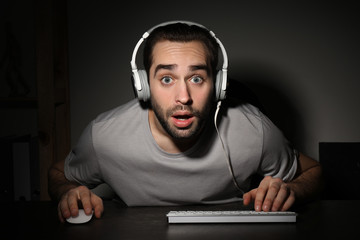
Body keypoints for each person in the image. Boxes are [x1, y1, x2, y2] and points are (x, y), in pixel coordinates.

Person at [48, 21, 322, 222]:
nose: (183, 97)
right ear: (143, 86)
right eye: (166, 79)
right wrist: (69, 194)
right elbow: (58, 174)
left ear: (218, 86)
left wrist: (291, 190)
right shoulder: (104, 136)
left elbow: (315, 172)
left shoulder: (253, 130)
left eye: (197, 78)